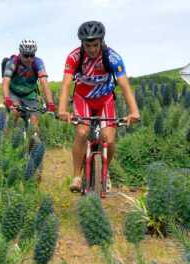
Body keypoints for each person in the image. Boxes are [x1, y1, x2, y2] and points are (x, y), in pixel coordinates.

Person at [58, 21, 140, 192]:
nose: (92, 49)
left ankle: (106, 170)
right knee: (82, 132)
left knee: (108, 139)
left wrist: (134, 111)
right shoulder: (74, 57)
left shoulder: (112, 57)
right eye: (88, 45)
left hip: (105, 100)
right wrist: (62, 110)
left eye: (95, 45)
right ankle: (76, 176)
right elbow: (66, 84)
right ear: (82, 43)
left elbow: (124, 84)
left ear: (102, 41)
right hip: (83, 99)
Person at [2, 39, 55, 129]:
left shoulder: (38, 62)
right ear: (20, 53)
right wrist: (7, 99)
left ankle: (31, 140)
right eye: (26, 56)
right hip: (14, 92)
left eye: (32, 55)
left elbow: (44, 83)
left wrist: (50, 103)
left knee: (35, 120)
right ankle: (7, 137)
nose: (29, 59)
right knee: (15, 113)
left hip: (29, 94)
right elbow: (5, 82)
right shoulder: (12, 62)